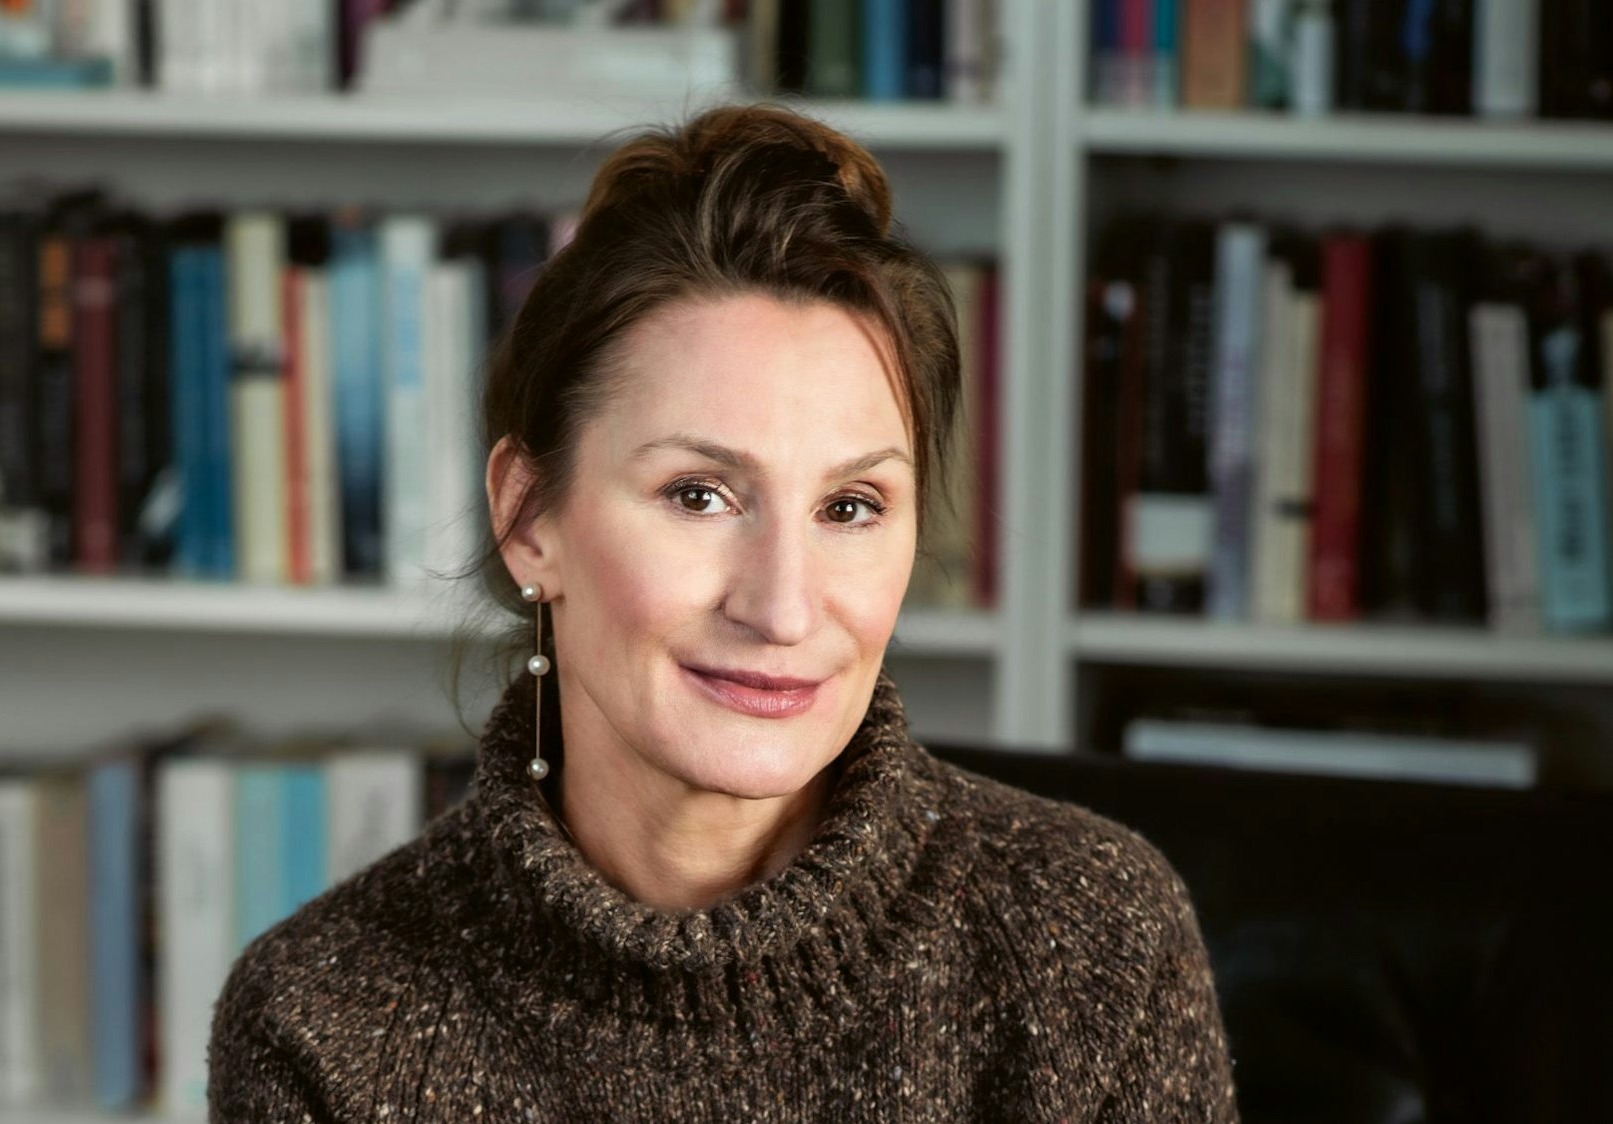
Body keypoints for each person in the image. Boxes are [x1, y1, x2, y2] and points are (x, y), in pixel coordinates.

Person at [207, 102, 1240, 1122]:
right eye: (699, 495)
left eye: (850, 506)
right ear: (528, 519)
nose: (783, 607)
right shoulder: (323, 1021)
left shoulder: (1095, 941)